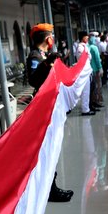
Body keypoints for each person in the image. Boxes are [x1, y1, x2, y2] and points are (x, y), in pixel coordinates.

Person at [26, 23, 74, 203]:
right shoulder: (36, 56)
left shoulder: (44, 56)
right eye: (51, 36)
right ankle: (49, 190)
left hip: (50, 106)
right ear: (48, 39)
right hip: (41, 109)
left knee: (50, 147)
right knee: (45, 149)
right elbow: (33, 79)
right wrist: (47, 63)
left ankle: (50, 187)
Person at [74, 31, 95, 116]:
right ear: (82, 37)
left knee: (87, 91)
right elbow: (83, 60)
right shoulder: (80, 47)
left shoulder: (85, 46)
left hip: (87, 71)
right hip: (83, 73)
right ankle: (85, 110)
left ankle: (86, 108)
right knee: (85, 91)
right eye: (86, 37)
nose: (88, 38)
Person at [88, 31, 104, 111]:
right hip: (96, 70)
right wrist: (100, 68)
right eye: (95, 36)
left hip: (90, 70)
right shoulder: (94, 47)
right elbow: (97, 59)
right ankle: (98, 101)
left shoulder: (87, 47)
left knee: (93, 87)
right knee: (98, 86)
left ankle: (93, 101)